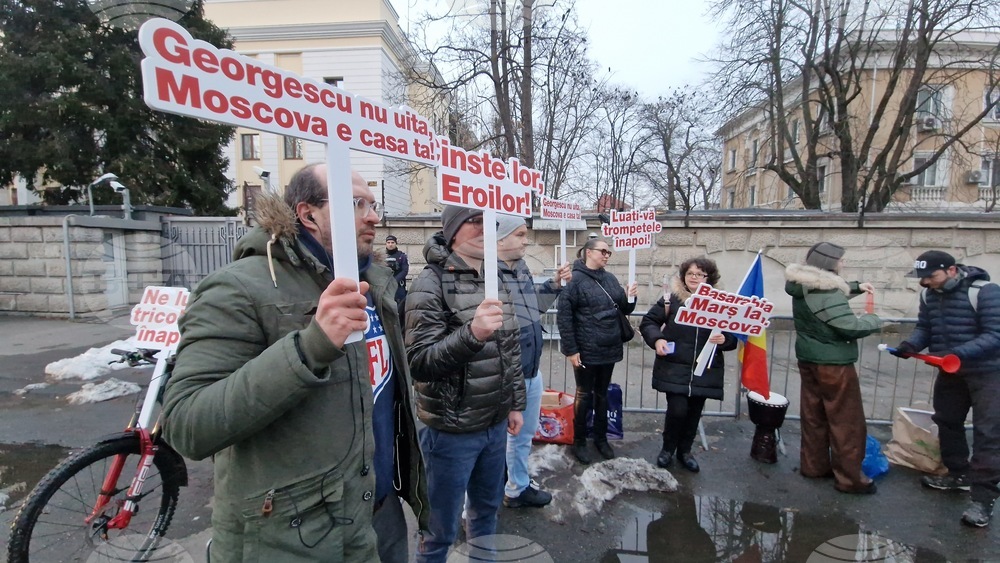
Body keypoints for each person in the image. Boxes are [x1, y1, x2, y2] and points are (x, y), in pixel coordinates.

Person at [162, 163, 428, 563]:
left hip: (379, 514)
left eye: (374, 204)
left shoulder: (375, 283)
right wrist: (310, 348)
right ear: (308, 214)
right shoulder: (239, 287)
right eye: (357, 204)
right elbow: (187, 424)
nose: (374, 216)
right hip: (293, 537)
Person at [404, 206, 526, 562]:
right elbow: (420, 363)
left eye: (491, 222)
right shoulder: (428, 283)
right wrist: (472, 334)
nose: (486, 229)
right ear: (454, 231)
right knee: (439, 528)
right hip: (451, 431)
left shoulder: (494, 277)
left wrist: (514, 402)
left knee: (486, 514)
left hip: (494, 423)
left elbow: (510, 348)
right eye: (476, 221)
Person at [892, 250, 1000, 527]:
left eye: (931, 276)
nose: (926, 283)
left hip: (989, 374)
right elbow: (924, 328)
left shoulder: (985, 292)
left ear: (952, 270)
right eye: (922, 278)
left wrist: (957, 353)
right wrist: (911, 345)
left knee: (988, 433)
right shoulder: (930, 295)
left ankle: (983, 500)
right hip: (951, 372)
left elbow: (995, 334)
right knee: (948, 421)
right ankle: (958, 474)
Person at [784, 242, 881, 495]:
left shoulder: (804, 285)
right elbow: (847, 325)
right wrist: (873, 319)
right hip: (833, 364)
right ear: (829, 262)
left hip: (809, 359)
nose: (843, 263)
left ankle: (814, 466)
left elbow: (827, 303)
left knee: (814, 416)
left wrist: (857, 288)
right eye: (841, 259)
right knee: (845, 421)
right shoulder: (823, 291)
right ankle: (850, 479)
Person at [495, 215, 571, 509]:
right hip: (504, 373)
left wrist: (553, 285)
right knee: (495, 440)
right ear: (500, 239)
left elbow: (534, 309)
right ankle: (483, 500)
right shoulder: (486, 274)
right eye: (520, 235)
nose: (526, 240)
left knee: (523, 437)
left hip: (530, 369)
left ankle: (517, 487)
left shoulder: (522, 269)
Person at [639, 257, 738, 473]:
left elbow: (733, 336)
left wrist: (725, 340)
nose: (694, 278)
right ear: (684, 276)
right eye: (690, 274)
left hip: (704, 368)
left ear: (709, 278)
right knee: (677, 409)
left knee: (693, 413)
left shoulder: (720, 304)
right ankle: (667, 450)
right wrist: (657, 339)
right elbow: (649, 322)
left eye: (700, 274)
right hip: (674, 366)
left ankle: (685, 451)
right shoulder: (671, 300)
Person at [557, 237, 638, 464]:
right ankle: (579, 441)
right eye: (603, 251)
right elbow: (564, 318)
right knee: (584, 393)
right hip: (586, 349)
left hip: (609, 346)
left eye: (609, 252)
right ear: (588, 252)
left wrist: (631, 296)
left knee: (602, 394)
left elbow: (623, 307)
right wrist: (571, 350)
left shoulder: (610, 278)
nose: (606, 255)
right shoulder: (573, 280)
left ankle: (601, 439)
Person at [384, 234, 409, 306]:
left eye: (392, 242)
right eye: (388, 243)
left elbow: (405, 270)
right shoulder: (381, 256)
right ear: (386, 244)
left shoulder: (401, 256)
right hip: (385, 286)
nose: (390, 245)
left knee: (400, 307)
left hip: (398, 286)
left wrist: (394, 280)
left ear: (396, 243)